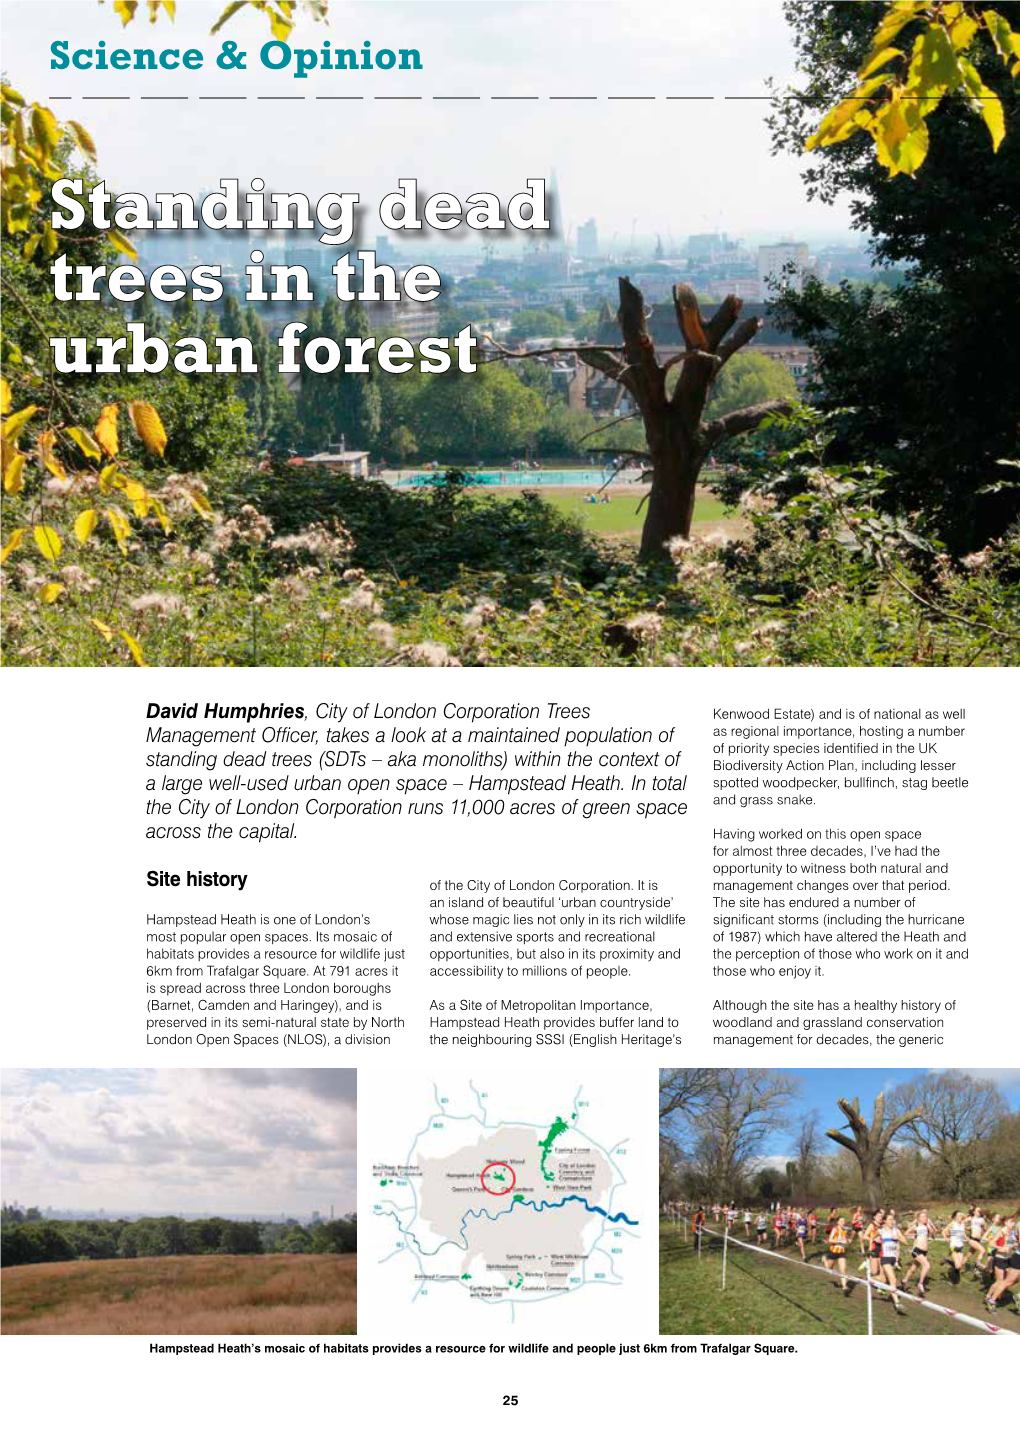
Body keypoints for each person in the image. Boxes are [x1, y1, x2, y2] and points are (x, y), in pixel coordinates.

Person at [984, 1212, 1020, 1313]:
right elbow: (991, 1243)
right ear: (1005, 1223)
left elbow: (1014, 1244)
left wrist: (1014, 1246)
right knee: (1000, 1281)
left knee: (1013, 1280)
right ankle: (989, 1298)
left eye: (1013, 1222)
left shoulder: (1011, 1232)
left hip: (1008, 1259)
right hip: (1000, 1259)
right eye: (1011, 1222)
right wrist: (1001, 1248)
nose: (1013, 1224)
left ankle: (998, 1295)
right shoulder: (1002, 1231)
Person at [878, 1212, 907, 1315]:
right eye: (890, 1219)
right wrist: (876, 1241)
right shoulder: (880, 1231)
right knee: (893, 1280)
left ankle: (870, 1280)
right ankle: (897, 1303)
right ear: (885, 1221)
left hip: (893, 1259)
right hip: (885, 1258)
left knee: (884, 1279)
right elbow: (871, 1238)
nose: (892, 1221)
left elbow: (906, 1242)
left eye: (893, 1219)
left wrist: (898, 1238)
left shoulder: (896, 1231)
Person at [902, 1210, 934, 1298]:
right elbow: (905, 1234)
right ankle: (920, 1284)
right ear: (919, 1219)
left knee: (913, 1268)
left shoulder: (926, 1226)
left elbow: (933, 1235)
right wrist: (913, 1236)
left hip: (924, 1251)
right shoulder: (915, 1227)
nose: (925, 1218)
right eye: (923, 1217)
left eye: (926, 1217)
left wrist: (929, 1227)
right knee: (927, 1265)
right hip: (917, 1250)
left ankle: (904, 1281)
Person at [822, 1215, 852, 1296]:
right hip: (833, 1251)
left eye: (844, 1221)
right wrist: (840, 1242)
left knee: (843, 1269)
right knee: (829, 1269)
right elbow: (830, 1240)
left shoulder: (845, 1230)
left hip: (841, 1252)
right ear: (838, 1222)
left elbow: (845, 1240)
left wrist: (848, 1241)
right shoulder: (835, 1229)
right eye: (841, 1221)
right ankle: (825, 1260)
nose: (843, 1222)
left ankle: (844, 1287)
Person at [942, 1210, 968, 1283]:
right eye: (958, 1216)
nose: (960, 1217)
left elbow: (962, 1233)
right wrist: (946, 1238)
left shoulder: (962, 1224)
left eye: (961, 1216)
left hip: (960, 1246)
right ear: (955, 1217)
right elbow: (944, 1231)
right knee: (957, 1266)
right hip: (953, 1246)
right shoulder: (953, 1223)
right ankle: (951, 1278)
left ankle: (954, 1279)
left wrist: (967, 1239)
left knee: (959, 1266)